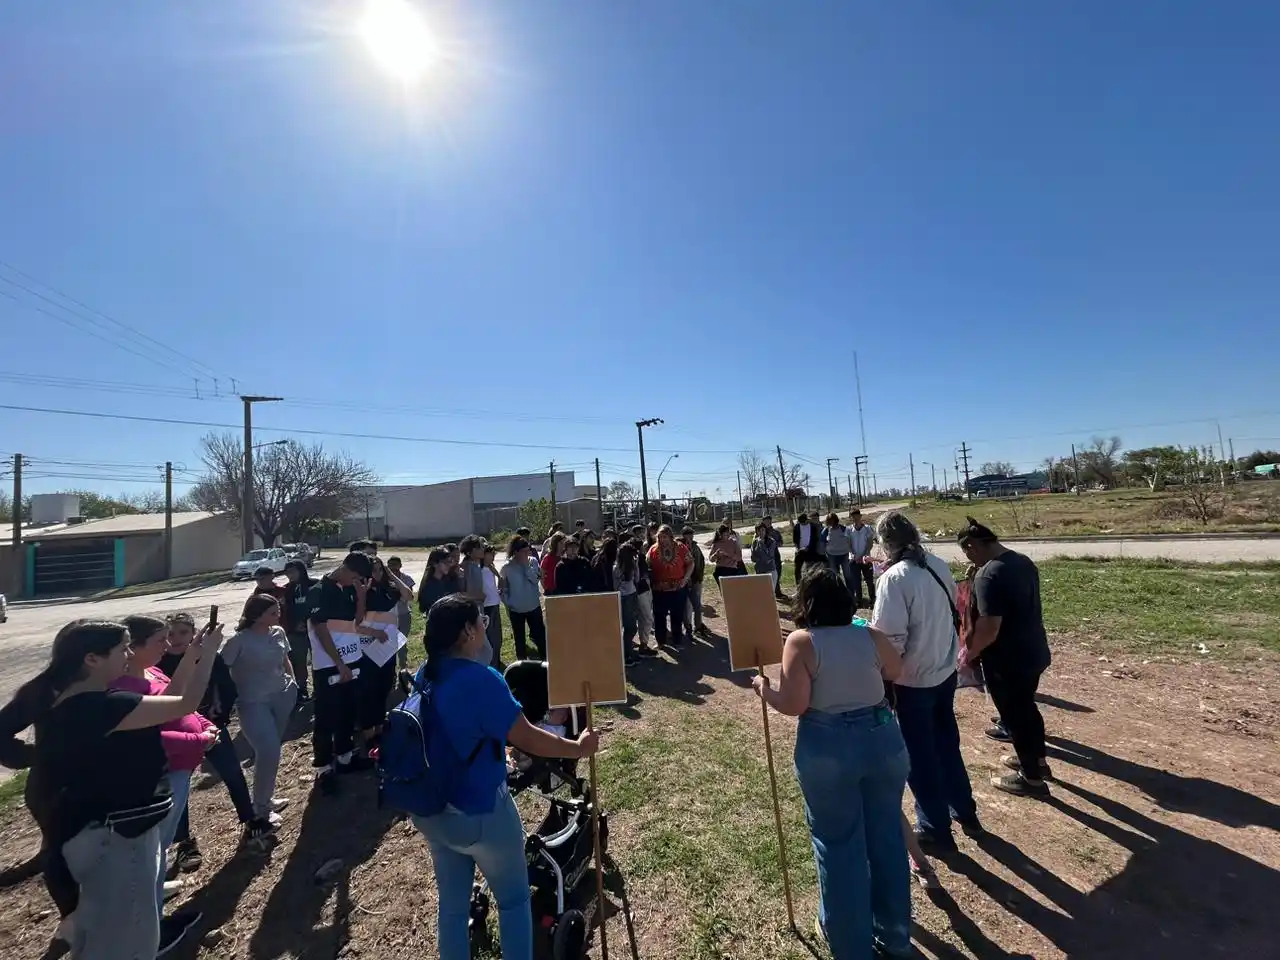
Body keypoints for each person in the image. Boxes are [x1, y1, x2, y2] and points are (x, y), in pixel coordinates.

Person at [414, 596, 600, 960]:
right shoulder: (483, 680)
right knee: (514, 901)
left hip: (433, 811)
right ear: (468, 631)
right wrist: (577, 748)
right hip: (481, 811)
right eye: (482, 620)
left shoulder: (425, 673)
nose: (485, 627)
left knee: (452, 909)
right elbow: (527, 737)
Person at [26, 618, 222, 959]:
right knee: (134, 943)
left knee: (102, 930)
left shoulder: (66, 699)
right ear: (92, 659)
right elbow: (185, 703)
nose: (129, 655)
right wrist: (208, 655)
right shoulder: (103, 706)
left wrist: (193, 654)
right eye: (122, 649)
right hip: (118, 838)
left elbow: (170, 700)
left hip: (84, 832)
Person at [752, 567, 913, 959]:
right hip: (883, 739)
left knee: (839, 846)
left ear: (806, 603)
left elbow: (795, 704)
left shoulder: (801, 642)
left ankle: (852, 946)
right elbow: (896, 670)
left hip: (829, 746)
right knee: (887, 838)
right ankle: (895, 937)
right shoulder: (869, 634)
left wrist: (764, 689)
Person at [871, 511, 980, 853]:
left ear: (885, 543)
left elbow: (890, 640)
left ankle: (934, 827)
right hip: (944, 672)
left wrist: (883, 676)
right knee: (946, 744)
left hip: (912, 681)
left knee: (919, 756)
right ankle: (964, 808)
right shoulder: (936, 564)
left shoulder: (895, 579)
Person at [112, 616, 220, 924]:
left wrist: (203, 723)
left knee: (162, 843)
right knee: (153, 848)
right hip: (160, 774)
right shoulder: (122, 690)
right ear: (133, 648)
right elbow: (154, 734)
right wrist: (199, 739)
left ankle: (155, 891)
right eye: (160, 640)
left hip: (178, 769)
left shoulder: (151, 671)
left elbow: (178, 701)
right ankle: (151, 922)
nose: (168, 644)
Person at [959, 517, 1053, 798]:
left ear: (973, 546)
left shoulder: (989, 575)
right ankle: (1038, 762)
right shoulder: (1023, 562)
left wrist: (969, 653)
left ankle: (1031, 780)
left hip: (1007, 660)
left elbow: (989, 628)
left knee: (1015, 717)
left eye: (967, 552)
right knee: (1027, 709)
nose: (969, 560)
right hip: (1034, 651)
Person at [157, 613, 259, 872]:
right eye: (170, 634)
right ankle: (184, 842)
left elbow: (227, 686)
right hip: (179, 733)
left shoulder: (209, 656)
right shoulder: (158, 664)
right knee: (180, 788)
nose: (176, 639)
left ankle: (250, 819)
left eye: (182, 632)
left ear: (194, 634)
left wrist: (220, 714)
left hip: (211, 726)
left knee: (232, 772)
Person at [221, 594, 298, 846]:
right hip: (253, 702)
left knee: (272, 751)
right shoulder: (238, 641)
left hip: (282, 696)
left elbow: (285, 659)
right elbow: (220, 670)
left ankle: (266, 798)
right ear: (256, 615)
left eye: (278, 610)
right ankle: (260, 809)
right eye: (272, 612)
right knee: (268, 750)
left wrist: (293, 683)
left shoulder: (278, 632)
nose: (278, 615)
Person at [307, 551, 381, 794]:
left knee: (348, 712)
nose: (356, 582)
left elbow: (356, 622)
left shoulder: (349, 589)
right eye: (356, 577)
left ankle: (345, 757)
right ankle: (324, 767)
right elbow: (321, 630)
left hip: (353, 659)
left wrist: (361, 596)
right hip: (329, 664)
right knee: (326, 715)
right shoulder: (319, 590)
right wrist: (339, 663)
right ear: (346, 568)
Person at [358, 555, 415, 749]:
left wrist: (391, 574)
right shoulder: (360, 592)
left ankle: (380, 728)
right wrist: (374, 633)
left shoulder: (389, 589)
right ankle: (368, 734)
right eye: (373, 570)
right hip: (367, 648)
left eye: (380, 570)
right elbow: (354, 622)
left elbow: (408, 595)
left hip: (387, 646)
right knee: (369, 691)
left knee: (384, 687)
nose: (377, 574)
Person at [500, 537, 546, 660]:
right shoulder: (507, 567)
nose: (527, 554)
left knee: (540, 637)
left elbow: (535, 580)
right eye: (524, 551)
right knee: (519, 639)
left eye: (528, 551)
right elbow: (502, 589)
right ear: (515, 552)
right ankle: (521, 663)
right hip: (516, 610)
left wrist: (526, 566)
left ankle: (545, 660)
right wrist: (509, 602)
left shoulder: (533, 562)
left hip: (534, 607)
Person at [648, 525, 693, 648]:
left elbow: (691, 563)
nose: (662, 539)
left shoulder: (681, 547)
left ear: (670, 536)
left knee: (677, 615)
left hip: (678, 588)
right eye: (660, 537)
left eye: (665, 537)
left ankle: (677, 641)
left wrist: (685, 579)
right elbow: (647, 565)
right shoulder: (653, 549)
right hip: (659, 589)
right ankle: (661, 641)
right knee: (659, 616)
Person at [282, 560, 316, 702]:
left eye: (293, 571)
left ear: (301, 570)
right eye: (287, 572)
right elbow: (284, 611)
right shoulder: (286, 590)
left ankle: (319, 687)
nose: (290, 575)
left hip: (316, 629)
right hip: (296, 632)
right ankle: (302, 689)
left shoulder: (314, 585)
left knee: (318, 659)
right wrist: (294, 625)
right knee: (298, 662)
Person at [614, 541, 652, 664]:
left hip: (632, 595)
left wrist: (635, 567)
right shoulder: (617, 569)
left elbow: (636, 579)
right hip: (624, 598)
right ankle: (626, 655)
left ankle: (629, 652)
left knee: (632, 626)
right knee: (629, 627)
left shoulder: (631, 566)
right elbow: (615, 587)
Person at [387, 556, 417, 671]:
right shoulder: (384, 580)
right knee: (389, 643)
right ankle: (391, 669)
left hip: (404, 614)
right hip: (389, 616)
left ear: (400, 565)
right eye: (390, 565)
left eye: (395, 564)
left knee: (402, 642)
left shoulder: (406, 578)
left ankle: (403, 667)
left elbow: (408, 596)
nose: (393, 567)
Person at [629, 525, 655, 649]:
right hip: (640, 589)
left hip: (645, 586)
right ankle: (643, 644)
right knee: (648, 618)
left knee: (643, 618)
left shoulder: (642, 557)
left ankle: (643, 644)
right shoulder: (635, 558)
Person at [680, 526, 708, 636]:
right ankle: (688, 627)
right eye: (688, 534)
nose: (690, 536)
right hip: (684, 582)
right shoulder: (680, 547)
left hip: (696, 580)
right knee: (686, 607)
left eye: (691, 534)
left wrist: (700, 576)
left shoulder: (696, 547)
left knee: (697, 606)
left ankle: (698, 626)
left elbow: (702, 561)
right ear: (683, 535)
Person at [481, 545, 505, 669]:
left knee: (497, 637)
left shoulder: (490, 568)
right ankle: (492, 663)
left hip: (495, 604)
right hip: (487, 607)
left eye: (493, 554)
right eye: (490, 554)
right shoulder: (479, 570)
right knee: (491, 637)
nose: (493, 556)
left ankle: (496, 660)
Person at [849, 510, 877, 609]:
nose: (855, 518)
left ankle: (872, 600)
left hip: (866, 559)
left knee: (869, 581)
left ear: (860, 516)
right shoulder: (849, 529)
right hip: (854, 560)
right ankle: (859, 601)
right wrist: (853, 554)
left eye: (857, 516)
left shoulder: (867, 528)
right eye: (853, 517)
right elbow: (848, 543)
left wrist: (863, 555)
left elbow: (870, 544)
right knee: (856, 582)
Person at [822, 513, 855, 595]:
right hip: (832, 556)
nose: (831, 523)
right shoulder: (826, 530)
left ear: (836, 520)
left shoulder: (844, 529)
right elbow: (822, 541)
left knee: (847, 575)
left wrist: (851, 552)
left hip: (844, 555)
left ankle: (851, 594)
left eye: (832, 521)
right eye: (829, 521)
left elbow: (850, 540)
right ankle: (837, 594)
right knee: (834, 576)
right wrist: (825, 551)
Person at [418, 548, 457, 617]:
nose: (448, 565)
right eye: (445, 562)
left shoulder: (451, 581)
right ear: (435, 564)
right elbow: (424, 608)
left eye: (450, 561)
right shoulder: (429, 586)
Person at [792, 513, 824, 584]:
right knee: (798, 569)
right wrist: (798, 548)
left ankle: (812, 584)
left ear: (807, 520)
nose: (802, 524)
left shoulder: (813, 526)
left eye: (803, 523)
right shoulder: (797, 527)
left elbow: (815, 539)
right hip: (800, 551)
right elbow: (795, 540)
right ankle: (798, 584)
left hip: (811, 551)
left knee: (812, 569)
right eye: (801, 523)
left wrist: (808, 547)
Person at [760, 515, 786, 598]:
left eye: (769, 521)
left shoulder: (775, 532)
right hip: (765, 557)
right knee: (766, 576)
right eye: (766, 521)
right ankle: (767, 593)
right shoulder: (760, 532)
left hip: (775, 555)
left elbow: (781, 543)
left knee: (777, 573)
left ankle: (777, 592)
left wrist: (773, 544)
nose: (768, 522)